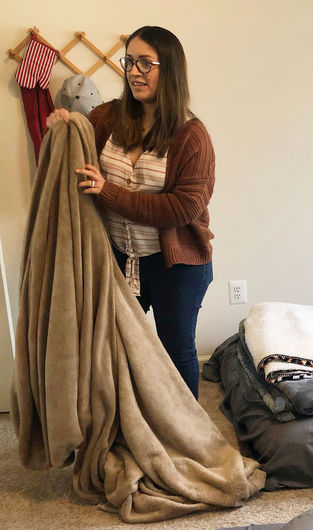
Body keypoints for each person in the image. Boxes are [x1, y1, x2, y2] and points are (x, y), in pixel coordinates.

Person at [46, 26, 214, 399]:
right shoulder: (108, 117)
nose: (134, 72)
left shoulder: (192, 136)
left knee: (176, 352)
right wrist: (60, 127)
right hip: (121, 259)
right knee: (120, 349)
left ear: (169, 69)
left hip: (177, 265)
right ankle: (135, 426)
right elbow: (76, 142)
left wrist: (109, 193)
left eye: (145, 63)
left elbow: (182, 207)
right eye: (129, 62)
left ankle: (186, 435)